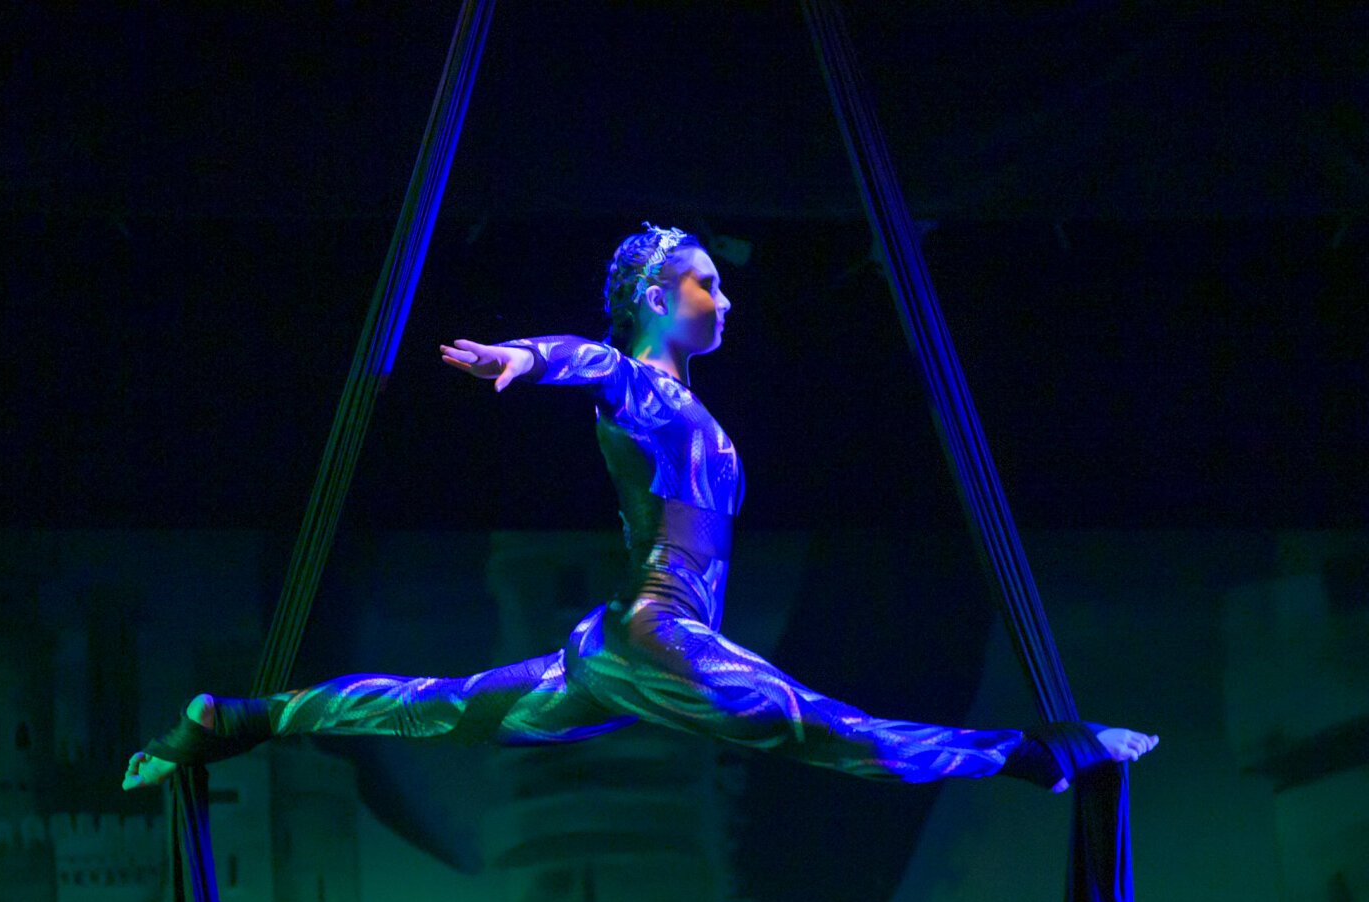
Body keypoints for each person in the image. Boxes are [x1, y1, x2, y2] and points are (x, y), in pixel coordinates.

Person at [123, 222, 1158, 795]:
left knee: (438, 707)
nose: (727, 298)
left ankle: (242, 718)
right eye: (707, 282)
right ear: (658, 296)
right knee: (820, 728)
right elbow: (595, 363)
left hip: (622, 648)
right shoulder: (647, 386)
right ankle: (1035, 754)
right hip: (657, 638)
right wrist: (523, 357)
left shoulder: (681, 405)